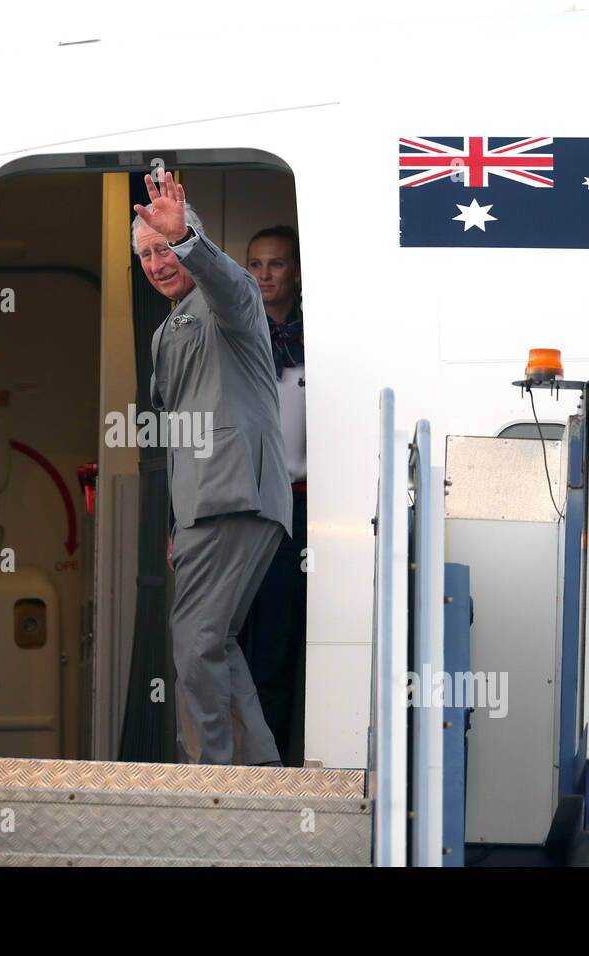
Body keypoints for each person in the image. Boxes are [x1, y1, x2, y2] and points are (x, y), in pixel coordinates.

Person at [133, 172, 292, 767]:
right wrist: (178, 524)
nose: (158, 262)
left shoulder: (231, 301)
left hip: (235, 494)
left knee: (195, 643)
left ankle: (210, 778)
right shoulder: (164, 331)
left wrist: (187, 241)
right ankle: (257, 771)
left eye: (167, 247)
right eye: (147, 254)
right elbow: (177, 435)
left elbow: (229, 282)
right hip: (202, 506)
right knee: (214, 641)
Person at [237, 225, 306, 763]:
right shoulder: (237, 334)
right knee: (238, 639)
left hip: (306, 504)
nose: (263, 275)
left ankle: (279, 764)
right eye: (255, 265)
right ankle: (243, 764)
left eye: (275, 265)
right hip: (245, 503)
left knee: (285, 642)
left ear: (297, 273)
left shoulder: (319, 339)